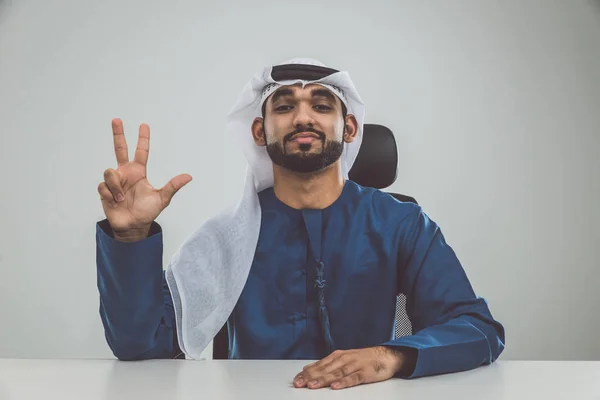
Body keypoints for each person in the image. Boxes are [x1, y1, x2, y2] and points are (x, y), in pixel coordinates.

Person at [96, 58, 505, 390]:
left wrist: (388, 356)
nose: (303, 117)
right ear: (259, 131)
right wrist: (130, 235)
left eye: (322, 105)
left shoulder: (402, 224)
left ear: (348, 129)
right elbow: (139, 344)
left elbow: (477, 329)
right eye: (285, 106)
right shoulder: (227, 235)